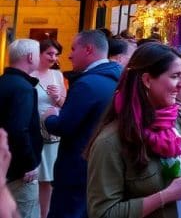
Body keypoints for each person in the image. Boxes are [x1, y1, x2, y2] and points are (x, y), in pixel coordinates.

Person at [86, 43, 181, 218]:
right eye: (175, 76)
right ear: (147, 80)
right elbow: (102, 213)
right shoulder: (111, 141)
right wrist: (165, 196)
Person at [43, 30, 121, 218]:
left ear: (88, 49)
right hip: (103, 165)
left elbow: (64, 126)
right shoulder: (118, 77)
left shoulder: (87, 83)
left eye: (73, 48)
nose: (69, 55)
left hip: (77, 167)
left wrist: (49, 118)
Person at [0, 39, 43, 218]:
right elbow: (19, 129)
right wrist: (30, 163)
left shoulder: (4, 82)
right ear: (31, 57)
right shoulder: (23, 88)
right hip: (19, 172)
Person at [31, 38, 63, 218]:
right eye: (49, 53)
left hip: (51, 134)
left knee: (47, 179)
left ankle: (44, 215)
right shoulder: (30, 73)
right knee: (29, 178)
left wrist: (58, 97)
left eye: (56, 54)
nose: (54, 57)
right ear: (38, 54)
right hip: (33, 129)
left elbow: (66, 104)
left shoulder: (57, 75)